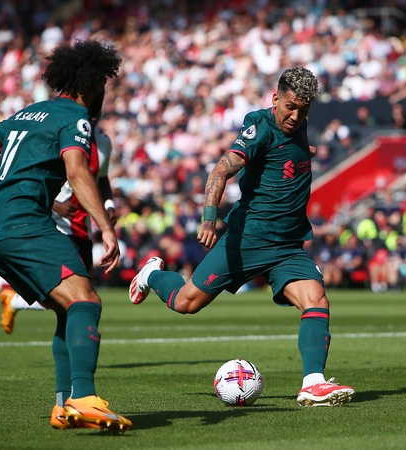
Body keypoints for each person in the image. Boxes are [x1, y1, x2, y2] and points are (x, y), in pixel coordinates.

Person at [0, 40, 131, 431]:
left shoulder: (30, 113)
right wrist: (106, 227)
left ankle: (63, 406)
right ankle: (84, 398)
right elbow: (76, 171)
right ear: (89, 84)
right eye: (102, 84)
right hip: (25, 223)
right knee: (86, 299)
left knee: (67, 309)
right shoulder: (76, 116)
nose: (103, 93)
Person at [129, 67, 354, 407]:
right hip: (249, 239)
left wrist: (301, 153)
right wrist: (209, 219)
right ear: (275, 99)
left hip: (287, 246)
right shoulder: (260, 127)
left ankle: (313, 383)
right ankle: (151, 274)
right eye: (290, 107)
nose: (295, 116)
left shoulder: (299, 126)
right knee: (186, 303)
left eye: (303, 109)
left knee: (316, 300)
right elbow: (221, 170)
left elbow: (286, 156)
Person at [0, 113, 116, 335]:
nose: (92, 114)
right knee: (77, 297)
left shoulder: (103, 142)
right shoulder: (58, 133)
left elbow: (102, 178)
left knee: (78, 297)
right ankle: (77, 347)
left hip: (82, 228)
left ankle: (14, 301)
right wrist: (54, 204)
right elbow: (34, 176)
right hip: (54, 224)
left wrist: (109, 205)